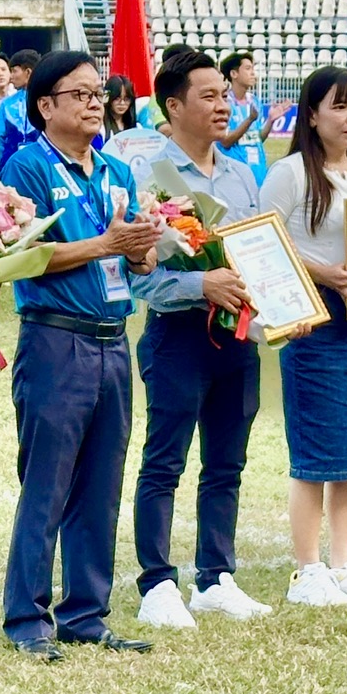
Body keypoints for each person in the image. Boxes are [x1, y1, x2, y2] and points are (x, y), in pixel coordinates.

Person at [0, 51, 164, 659]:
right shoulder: (27, 168)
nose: (96, 103)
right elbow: (24, 257)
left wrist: (142, 249)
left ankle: (87, 613)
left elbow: (130, 259)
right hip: (55, 339)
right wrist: (106, 243)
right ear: (46, 105)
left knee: (101, 480)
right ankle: (28, 619)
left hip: (111, 339)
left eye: (99, 93)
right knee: (47, 483)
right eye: (81, 94)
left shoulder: (114, 169)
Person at [129, 49, 271, 629]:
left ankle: (217, 576)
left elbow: (263, 255)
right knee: (165, 460)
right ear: (173, 105)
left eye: (224, 95)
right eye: (208, 96)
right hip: (178, 336)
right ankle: (157, 583)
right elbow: (137, 279)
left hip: (237, 338)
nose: (222, 106)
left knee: (226, 461)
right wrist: (199, 283)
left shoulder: (240, 174)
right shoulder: (148, 178)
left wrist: (282, 304)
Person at [262, 66, 347, 607]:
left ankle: (345, 564)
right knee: (318, 453)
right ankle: (308, 570)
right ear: (310, 115)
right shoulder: (291, 172)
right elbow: (259, 239)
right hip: (313, 327)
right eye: (339, 106)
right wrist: (323, 272)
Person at [217, 51, 271, 183]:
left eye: (253, 68)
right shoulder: (224, 103)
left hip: (258, 171)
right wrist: (249, 120)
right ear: (234, 74)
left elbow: (257, 138)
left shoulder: (254, 101)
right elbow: (226, 141)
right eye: (248, 68)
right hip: (234, 175)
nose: (253, 73)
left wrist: (271, 120)